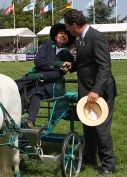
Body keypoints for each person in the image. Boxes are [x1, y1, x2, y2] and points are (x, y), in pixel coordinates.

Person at [63, 9, 117, 175]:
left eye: (66, 26)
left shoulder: (96, 37)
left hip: (99, 92)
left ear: (74, 25)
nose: (66, 30)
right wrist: (71, 66)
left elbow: (104, 66)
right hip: (86, 91)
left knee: (100, 128)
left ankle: (108, 165)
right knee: (88, 126)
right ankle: (89, 158)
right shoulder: (81, 39)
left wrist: (96, 91)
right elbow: (83, 62)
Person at [16, 23, 75, 129]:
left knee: (36, 90)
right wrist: (59, 64)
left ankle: (29, 121)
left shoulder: (69, 56)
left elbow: (58, 74)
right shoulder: (47, 45)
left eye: (66, 34)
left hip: (52, 84)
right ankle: (21, 118)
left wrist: (42, 74)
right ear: (56, 36)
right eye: (60, 33)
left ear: (68, 38)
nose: (63, 35)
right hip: (34, 77)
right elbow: (38, 61)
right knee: (15, 86)